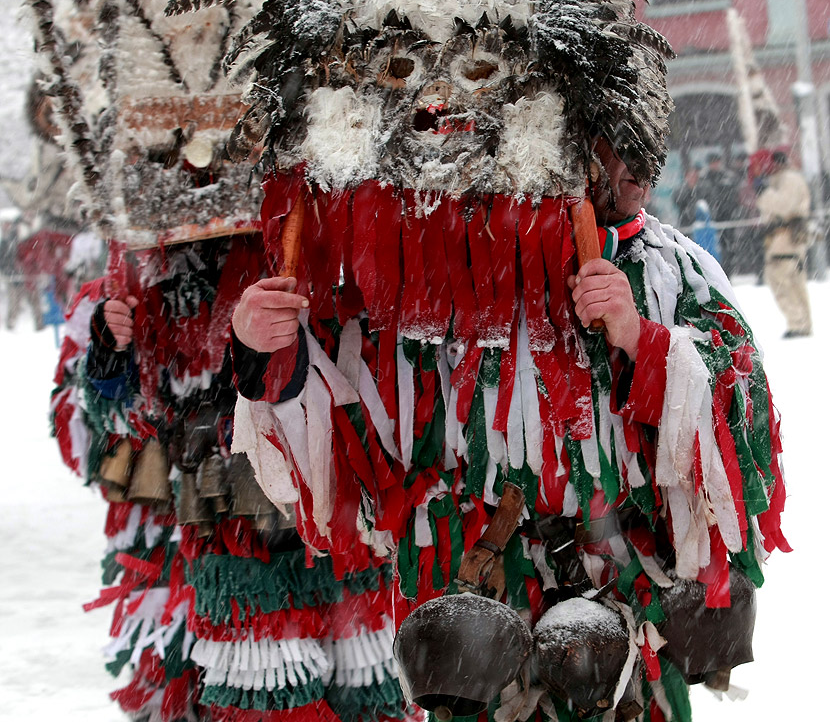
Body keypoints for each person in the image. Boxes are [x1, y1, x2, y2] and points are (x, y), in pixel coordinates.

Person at [229, 136, 789, 722]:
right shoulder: (430, 278)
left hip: (627, 594)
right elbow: (352, 425)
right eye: (612, 147)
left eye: (643, 147)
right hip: (480, 595)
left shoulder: (674, 270)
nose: (637, 168)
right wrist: (259, 349)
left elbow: (749, 438)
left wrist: (640, 340)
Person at [52, 235, 408, 722]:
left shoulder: (324, 244)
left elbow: (370, 382)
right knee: (264, 698)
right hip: (228, 538)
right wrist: (110, 362)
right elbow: (110, 436)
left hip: (334, 521)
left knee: (371, 696)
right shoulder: (136, 279)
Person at [755, 148, 813, 338]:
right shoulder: (789, 178)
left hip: (785, 236)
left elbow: (783, 207)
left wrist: (765, 193)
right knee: (795, 281)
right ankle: (803, 323)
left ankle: (798, 323)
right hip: (790, 235)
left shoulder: (788, 179)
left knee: (779, 278)